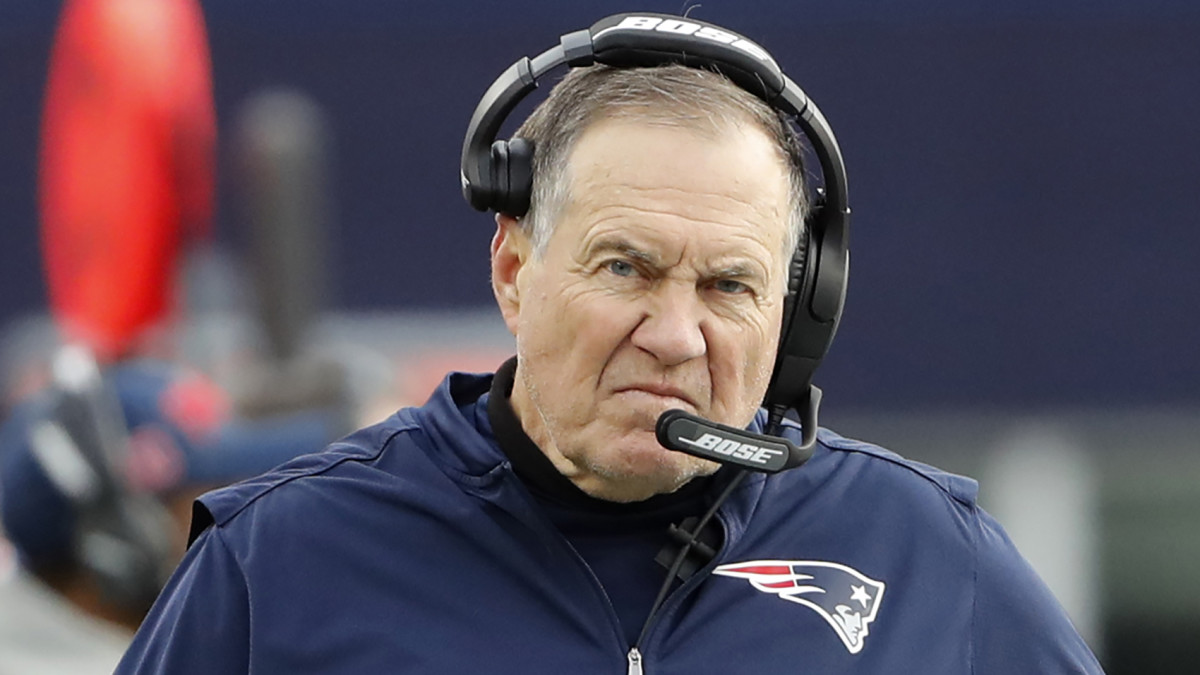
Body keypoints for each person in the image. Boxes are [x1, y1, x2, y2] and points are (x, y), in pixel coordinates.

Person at [116, 13, 1104, 674]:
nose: (674, 336)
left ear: (799, 312)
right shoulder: (277, 564)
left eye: (728, 286)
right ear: (514, 271)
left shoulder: (932, 561)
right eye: (626, 268)